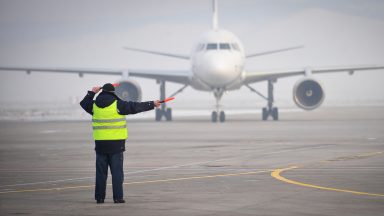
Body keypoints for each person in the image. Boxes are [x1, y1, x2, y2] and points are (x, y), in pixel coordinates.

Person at [80, 83, 161, 204]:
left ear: (102, 92)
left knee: (101, 173)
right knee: (117, 173)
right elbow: (135, 106)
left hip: (100, 146)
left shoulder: (94, 106)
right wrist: (152, 104)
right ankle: (118, 198)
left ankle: (99, 198)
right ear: (113, 93)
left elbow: (83, 103)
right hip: (116, 146)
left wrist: (92, 93)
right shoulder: (118, 105)